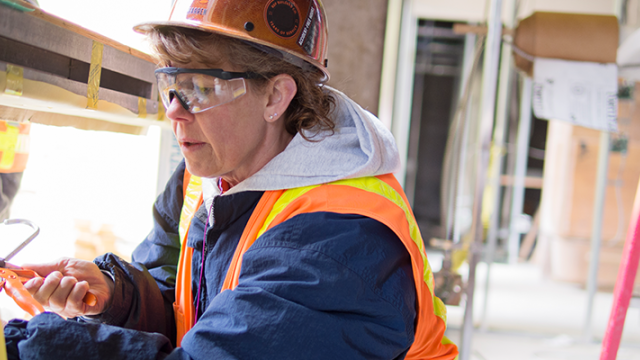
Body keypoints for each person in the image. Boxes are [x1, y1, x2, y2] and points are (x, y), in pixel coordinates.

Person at [5, 0, 458, 359]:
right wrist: (117, 296)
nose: (175, 111)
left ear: (276, 96)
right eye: (171, 85)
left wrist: (25, 346)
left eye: (201, 87)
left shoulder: (338, 242)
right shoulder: (206, 180)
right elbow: (185, 307)